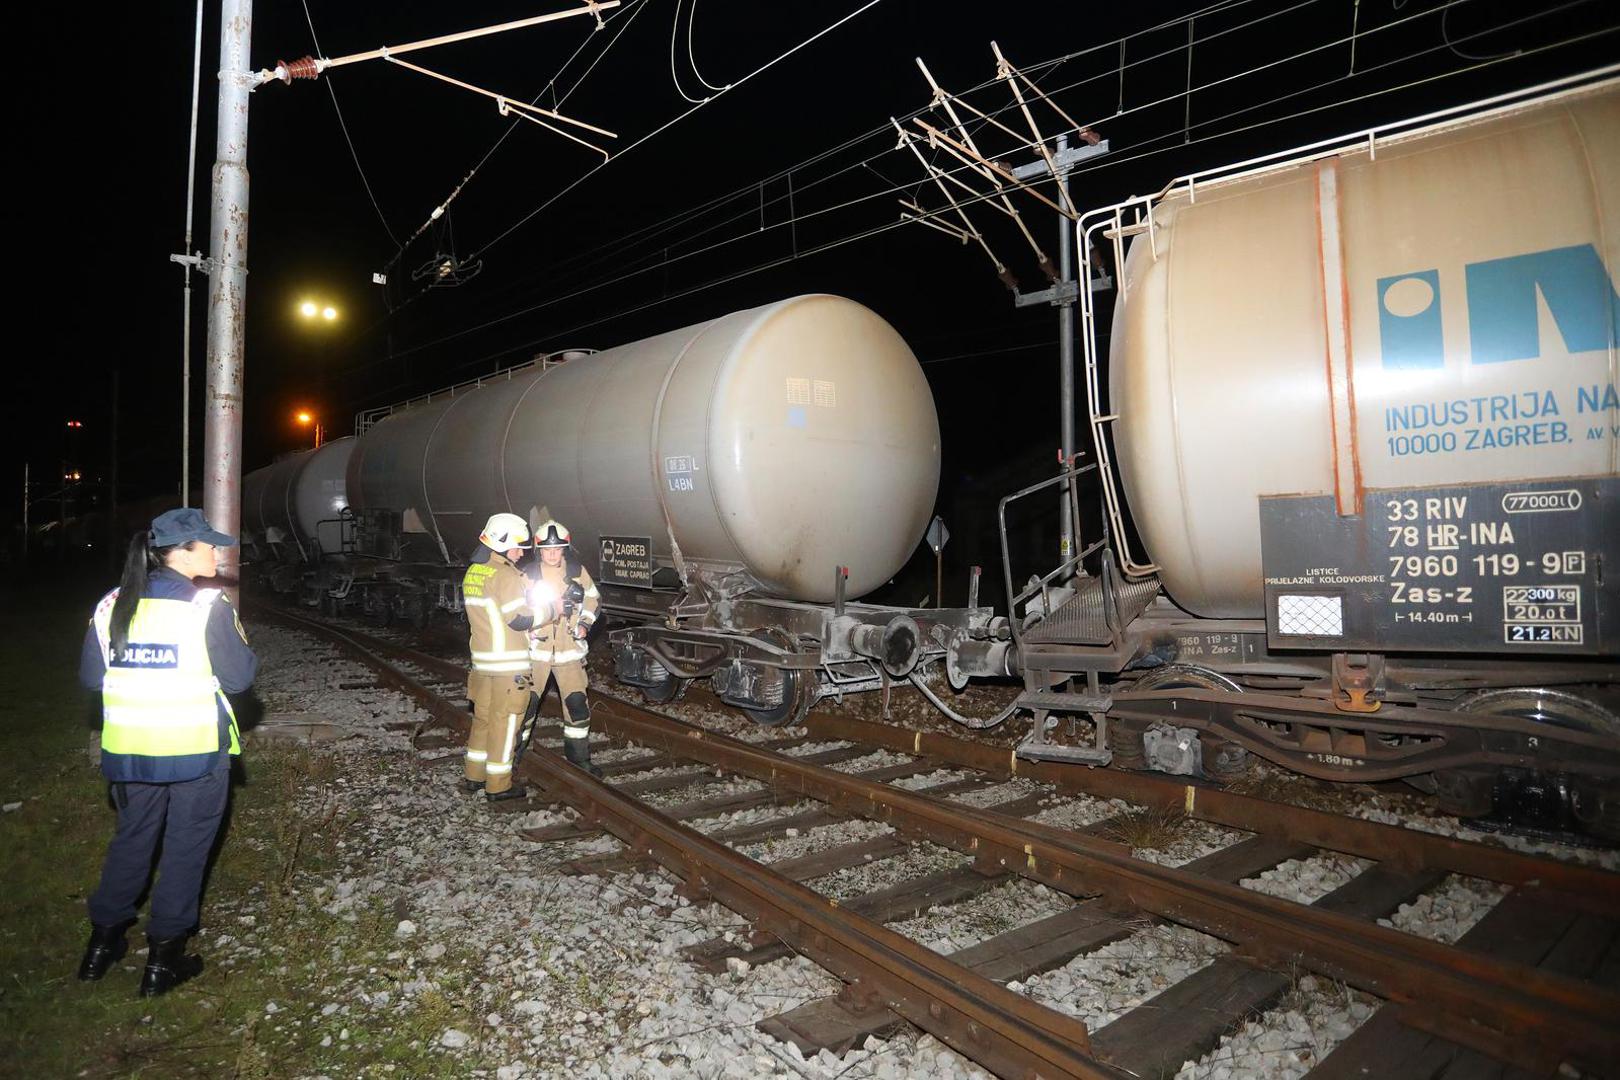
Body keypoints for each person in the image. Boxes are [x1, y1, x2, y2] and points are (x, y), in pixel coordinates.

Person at [77, 507, 258, 997]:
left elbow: (93, 679)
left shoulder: (111, 604)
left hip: (130, 752)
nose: (218, 551)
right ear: (183, 552)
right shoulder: (206, 608)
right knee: (185, 850)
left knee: (132, 841)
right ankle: (163, 960)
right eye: (209, 544)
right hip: (194, 752)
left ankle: (102, 945)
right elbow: (241, 678)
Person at [461, 513, 536, 801]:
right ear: (502, 543)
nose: (521, 552)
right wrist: (551, 611)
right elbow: (518, 619)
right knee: (505, 725)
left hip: (482, 663)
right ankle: (499, 785)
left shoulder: (474, 572)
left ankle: (474, 775)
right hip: (508, 666)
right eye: (518, 546)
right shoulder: (505, 575)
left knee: (483, 720)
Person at [526, 520, 602, 776]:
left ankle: (579, 760)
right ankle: (515, 757)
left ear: (564, 549)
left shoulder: (577, 571)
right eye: (547, 550)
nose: (552, 554)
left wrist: (584, 625)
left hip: (569, 652)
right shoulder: (528, 574)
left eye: (557, 549)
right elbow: (515, 609)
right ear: (538, 550)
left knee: (577, 705)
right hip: (536, 654)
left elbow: (593, 598)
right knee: (526, 705)